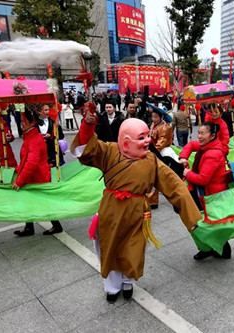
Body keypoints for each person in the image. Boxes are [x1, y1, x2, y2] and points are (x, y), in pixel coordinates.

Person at [71, 113, 201, 303]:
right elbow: (86, 150)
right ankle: (112, 287)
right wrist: (87, 126)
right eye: (142, 137)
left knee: (133, 249)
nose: (148, 140)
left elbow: (174, 185)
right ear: (125, 142)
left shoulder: (151, 160)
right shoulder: (109, 151)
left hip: (138, 211)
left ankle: (127, 283)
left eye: (148, 135)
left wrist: (190, 216)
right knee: (110, 248)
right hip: (111, 209)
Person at [179, 121, 230, 260]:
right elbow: (190, 145)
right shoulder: (206, 146)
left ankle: (218, 249)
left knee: (209, 224)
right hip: (205, 192)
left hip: (212, 194)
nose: (199, 136)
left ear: (213, 135)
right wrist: (183, 157)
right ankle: (210, 248)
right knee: (208, 224)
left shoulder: (212, 153)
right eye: (199, 133)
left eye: (203, 133)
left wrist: (186, 172)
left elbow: (203, 179)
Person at [12, 106, 63, 236]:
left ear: (32, 123)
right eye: (21, 121)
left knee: (43, 203)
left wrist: (20, 181)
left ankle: (56, 225)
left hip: (38, 177)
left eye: (24, 121)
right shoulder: (29, 136)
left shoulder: (34, 139)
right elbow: (25, 161)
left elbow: (32, 163)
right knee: (29, 202)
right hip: (33, 177)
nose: (22, 123)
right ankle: (29, 227)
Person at [147, 103, 174, 209]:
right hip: (154, 151)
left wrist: (150, 152)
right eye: (152, 116)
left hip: (162, 153)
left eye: (156, 117)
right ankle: (152, 200)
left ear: (161, 117)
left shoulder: (165, 127)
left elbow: (160, 143)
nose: (153, 119)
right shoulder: (154, 125)